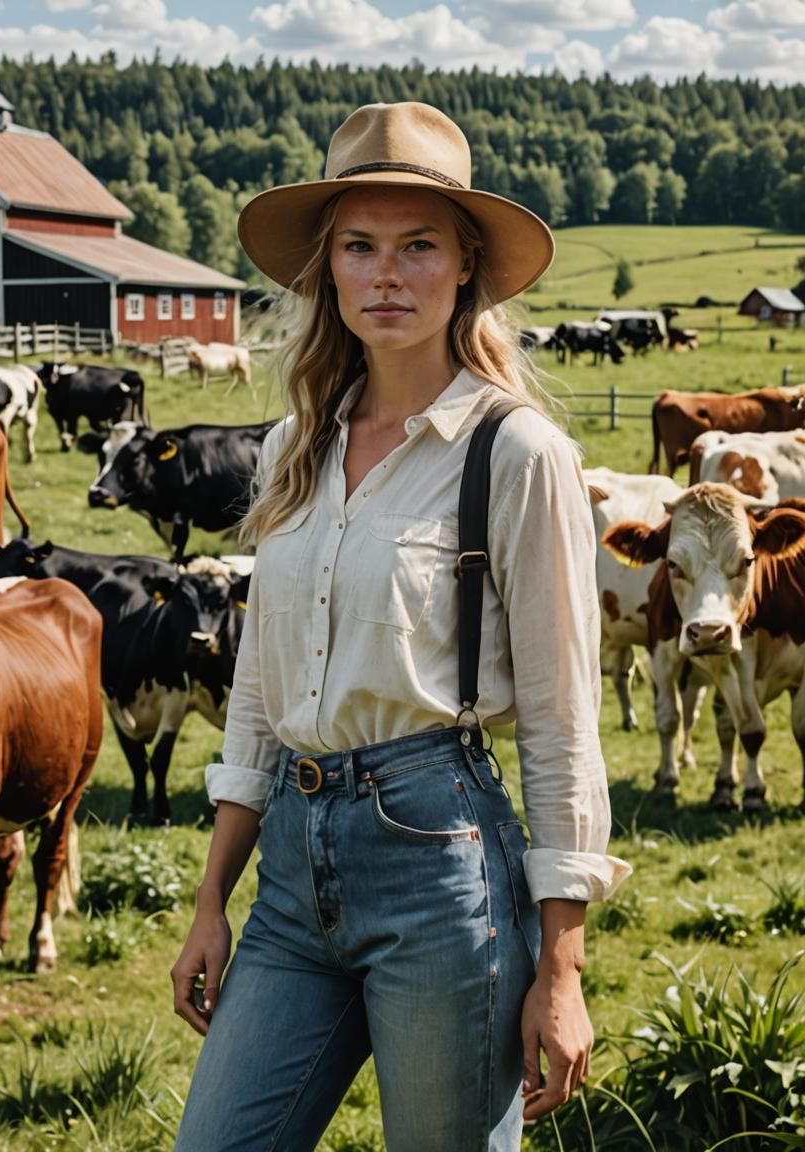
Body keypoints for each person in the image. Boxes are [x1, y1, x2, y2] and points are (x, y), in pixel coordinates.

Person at [171, 101, 631, 1152]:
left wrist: (559, 971)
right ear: (328, 269)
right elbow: (259, 687)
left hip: (440, 862)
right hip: (290, 869)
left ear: (465, 265)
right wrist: (211, 897)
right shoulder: (297, 442)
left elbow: (564, 720)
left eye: (418, 245)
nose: (386, 274)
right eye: (359, 246)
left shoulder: (513, 453)